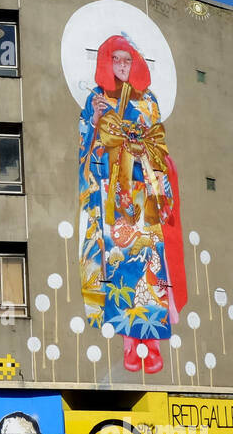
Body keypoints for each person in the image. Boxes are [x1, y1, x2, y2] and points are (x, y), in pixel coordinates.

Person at [77, 34, 188, 375]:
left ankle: (152, 342)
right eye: (117, 60)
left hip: (145, 191)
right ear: (107, 63)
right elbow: (86, 146)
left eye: (128, 60)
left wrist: (152, 164)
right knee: (121, 262)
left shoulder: (149, 101)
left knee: (151, 263)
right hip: (113, 193)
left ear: (135, 63)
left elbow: (159, 144)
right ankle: (128, 342)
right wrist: (95, 122)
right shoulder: (96, 99)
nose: (122, 66)